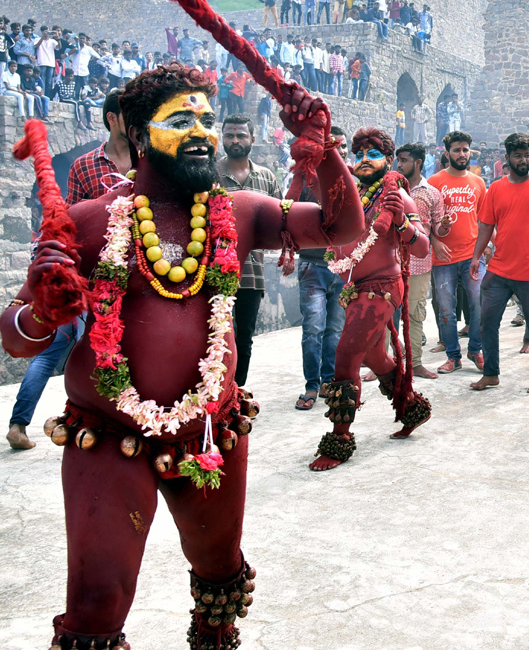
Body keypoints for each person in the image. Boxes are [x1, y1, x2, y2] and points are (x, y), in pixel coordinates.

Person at [0, 64, 362, 649]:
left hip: (209, 436)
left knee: (219, 581)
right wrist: (44, 306)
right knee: (96, 608)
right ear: (139, 136)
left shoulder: (241, 211)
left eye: (207, 119)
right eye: (181, 120)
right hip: (109, 436)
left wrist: (320, 151)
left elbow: (340, 227)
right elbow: (16, 338)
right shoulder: (90, 223)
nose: (202, 131)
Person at [6, 91, 131, 451]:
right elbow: (72, 223)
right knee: (60, 347)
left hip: (138, 277)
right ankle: (25, 423)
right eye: (128, 114)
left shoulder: (150, 161)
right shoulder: (85, 166)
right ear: (112, 119)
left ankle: (117, 421)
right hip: (90, 278)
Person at [311, 128, 430, 470]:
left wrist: (404, 224)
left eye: (373, 153)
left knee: (346, 355)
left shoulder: (397, 196)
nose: (364, 159)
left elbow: (421, 246)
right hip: (352, 287)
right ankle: (413, 408)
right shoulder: (351, 194)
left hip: (382, 286)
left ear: (388, 160)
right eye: (359, 152)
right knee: (376, 356)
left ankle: (340, 439)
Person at [469, 132, 529, 394]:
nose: (524, 160)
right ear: (507, 158)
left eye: (527, 155)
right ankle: (491, 374)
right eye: (518, 155)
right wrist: (477, 257)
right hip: (499, 269)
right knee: (487, 322)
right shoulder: (496, 188)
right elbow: (486, 225)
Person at [217, 114, 282, 387]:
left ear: (252, 139)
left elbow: (280, 219)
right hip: (212, 273)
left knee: (244, 337)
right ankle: (213, 396)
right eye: (229, 135)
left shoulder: (265, 178)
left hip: (252, 274)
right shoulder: (209, 173)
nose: (235, 140)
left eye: (241, 135)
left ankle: (236, 392)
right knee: (214, 337)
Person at [294, 127, 349, 411]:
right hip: (312, 265)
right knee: (313, 328)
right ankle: (311, 385)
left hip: (341, 267)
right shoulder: (305, 183)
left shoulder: (353, 186)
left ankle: (328, 380)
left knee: (335, 329)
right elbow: (288, 219)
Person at [428, 130, 487, 372]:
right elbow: (423, 221)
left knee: (479, 304)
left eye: (465, 150)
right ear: (447, 153)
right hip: (442, 258)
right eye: (457, 150)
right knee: (446, 309)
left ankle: (475, 350)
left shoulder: (478, 183)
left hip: (472, 256)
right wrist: (434, 242)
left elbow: (484, 220)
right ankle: (453, 356)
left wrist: (486, 249)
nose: (462, 154)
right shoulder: (434, 183)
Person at [396, 142, 450, 380]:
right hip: (390, 262)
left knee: (415, 313)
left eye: (404, 160)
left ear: (418, 163)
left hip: (419, 263)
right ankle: (387, 365)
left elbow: (436, 228)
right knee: (387, 313)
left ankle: (415, 363)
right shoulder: (391, 189)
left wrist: (444, 228)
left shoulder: (431, 193)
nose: (399, 164)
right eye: (398, 160)